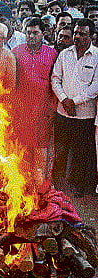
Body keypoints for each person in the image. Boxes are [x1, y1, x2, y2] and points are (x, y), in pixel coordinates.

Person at [51, 18, 98, 197]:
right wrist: (64, 100)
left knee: (80, 153)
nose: (77, 37)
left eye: (82, 34)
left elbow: (94, 88)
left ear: (91, 36)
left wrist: (74, 102)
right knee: (60, 150)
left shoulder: (97, 56)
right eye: (76, 33)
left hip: (84, 116)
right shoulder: (65, 54)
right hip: (62, 113)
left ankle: (77, 188)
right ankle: (57, 186)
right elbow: (55, 79)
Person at [12, 17, 58, 182]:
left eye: (35, 33)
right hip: (21, 109)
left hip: (43, 110)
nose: (31, 36)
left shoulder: (52, 53)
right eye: (28, 32)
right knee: (22, 147)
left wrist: (52, 108)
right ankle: (21, 183)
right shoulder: (16, 52)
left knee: (41, 149)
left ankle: (41, 184)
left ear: (43, 33)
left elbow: (55, 83)